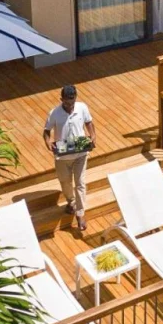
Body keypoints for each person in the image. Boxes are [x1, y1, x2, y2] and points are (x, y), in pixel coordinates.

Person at [43, 85, 96, 230]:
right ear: (61, 100)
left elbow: (88, 122)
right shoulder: (54, 113)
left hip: (80, 153)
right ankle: (71, 202)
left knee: (80, 183)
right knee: (65, 182)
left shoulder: (82, 107)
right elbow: (46, 131)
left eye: (72, 103)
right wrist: (48, 143)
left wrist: (92, 136)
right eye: (67, 103)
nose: (70, 106)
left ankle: (80, 213)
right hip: (62, 156)